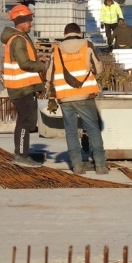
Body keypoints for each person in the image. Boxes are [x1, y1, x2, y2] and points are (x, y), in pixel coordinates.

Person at [45, 23, 108, 175]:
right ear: (79, 32)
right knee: (93, 129)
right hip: (85, 95)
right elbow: (98, 69)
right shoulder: (87, 45)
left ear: (64, 33)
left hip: (64, 97)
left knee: (71, 132)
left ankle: (77, 167)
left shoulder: (57, 49)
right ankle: (100, 166)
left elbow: (49, 75)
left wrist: (50, 95)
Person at [1, 4, 47, 168]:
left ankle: (21, 153)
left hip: (22, 87)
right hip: (21, 88)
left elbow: (24, 60)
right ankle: (21, 155)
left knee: (25, 121)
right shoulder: (18, 40)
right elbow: (24, 64)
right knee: (25, 122)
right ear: (20, 21)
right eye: (28, 20)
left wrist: (36, 58)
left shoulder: (18, 38)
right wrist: (42, 66)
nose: (31, 23)